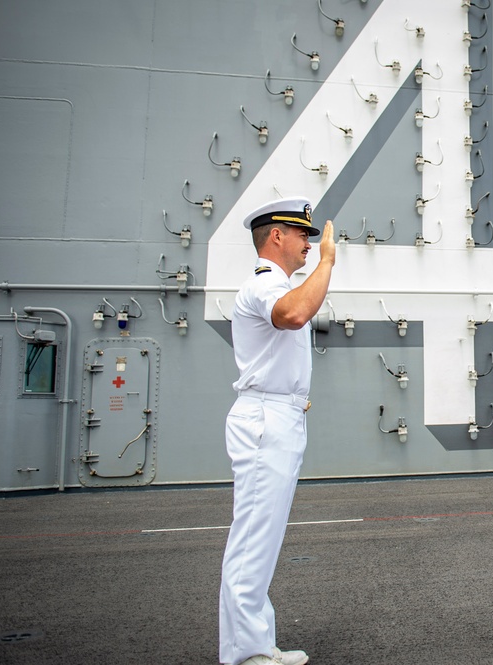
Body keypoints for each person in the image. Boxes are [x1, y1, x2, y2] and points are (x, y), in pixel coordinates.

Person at [219, 197, 335, 665]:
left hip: (280, 416)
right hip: (266, 418)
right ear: (276, 236)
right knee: (254, 538)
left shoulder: (278, 285)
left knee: (263, 539)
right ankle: (246, 652)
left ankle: (257, 644)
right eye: (302, 234)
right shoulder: (265, 285)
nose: (308, 243)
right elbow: (294, 315)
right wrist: (327, 263)